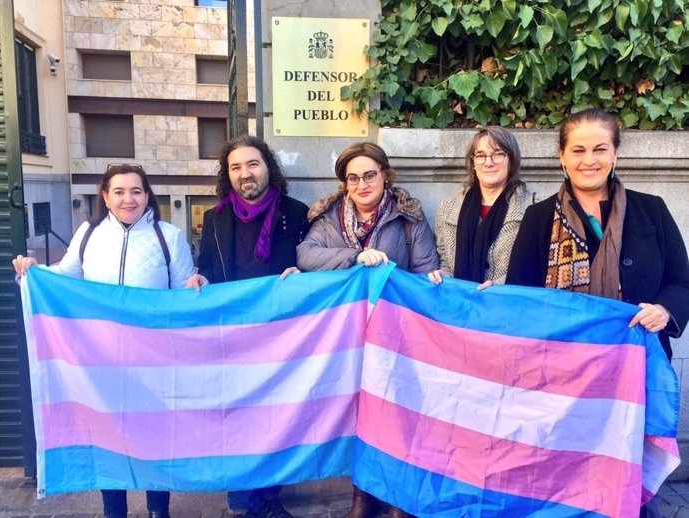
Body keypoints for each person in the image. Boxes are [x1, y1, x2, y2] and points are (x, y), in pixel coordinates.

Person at [504, 109, 689, 518]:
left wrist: (664, 310)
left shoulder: (651, 211)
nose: (590, 160)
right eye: (579, 150)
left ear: (616, 154)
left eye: (600, 149)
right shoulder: (539, 217)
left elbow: (681, 280)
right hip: (564, 373)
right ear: (562, 157)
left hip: (635, 366)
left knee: (634, 465)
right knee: (567, 467)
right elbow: (520, 293)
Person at [13, 163, 196, 518]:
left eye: (136, 191)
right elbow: (65, 277)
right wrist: (33, 272)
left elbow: (183, 293)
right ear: (105, 197)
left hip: (153, 360)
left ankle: (159, 509)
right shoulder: (87, 234)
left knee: (155, 438)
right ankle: (115, 511)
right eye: (119, 192)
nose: (129, 199)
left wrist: (193, 285)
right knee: (108, 439)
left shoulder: (168, 236)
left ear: (147, 196)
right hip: (101, 362)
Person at [296, 142, 439, 518]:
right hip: (345, 337)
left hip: (396, 335)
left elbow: (426, 268)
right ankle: (362, 494)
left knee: (395, 413)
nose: (362, 184)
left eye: (369, 175)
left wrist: (428, 279)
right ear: (345, 184)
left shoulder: (408, 217)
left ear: (384, 176)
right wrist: (354, 258)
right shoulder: (327, 218)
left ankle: (395, 496)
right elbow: (305, 255)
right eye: (353, 178)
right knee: (358, 414)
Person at [185, 135, 309, 518]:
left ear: (268, 166)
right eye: (235, 167)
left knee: (277, 418)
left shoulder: (297, 212)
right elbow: (206, 267)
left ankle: (270, 499)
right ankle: (242, 500)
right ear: (228, 175)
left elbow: (310, 262)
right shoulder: (215, 217)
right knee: (236, 417)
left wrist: (302, 273)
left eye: (252, 164)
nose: (245, 174)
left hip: (281, 338)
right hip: (232, 338)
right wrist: (199, 279)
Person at [430, 126, 537, 284]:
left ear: (511, 160)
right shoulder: (447, 210)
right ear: (473, 163)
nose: (488, 162)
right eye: (480, 156)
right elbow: (446, 264)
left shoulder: (534, 208)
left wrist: (499, 285)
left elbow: (536, 267)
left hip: (508, 304)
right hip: (461, 305)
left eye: (498, 154)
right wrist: (442, 276)